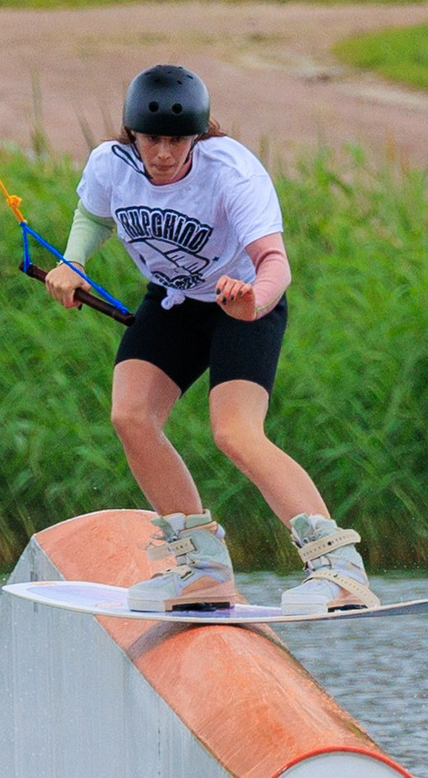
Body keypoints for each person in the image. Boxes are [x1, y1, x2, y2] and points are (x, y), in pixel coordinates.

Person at [41, 64, 377, 616]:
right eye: (153, 139)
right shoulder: (111, 165)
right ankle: (202, 570)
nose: (164, 153)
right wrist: (73, 262)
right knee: (131, 416)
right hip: (173, 301)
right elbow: (92, 214)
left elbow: (275, 262)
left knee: (236, 433)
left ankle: (337, 568)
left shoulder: (232, 172)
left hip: (240, 300)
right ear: (133, 134)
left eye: (177, 140)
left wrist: (254, 300)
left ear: (197, 136)